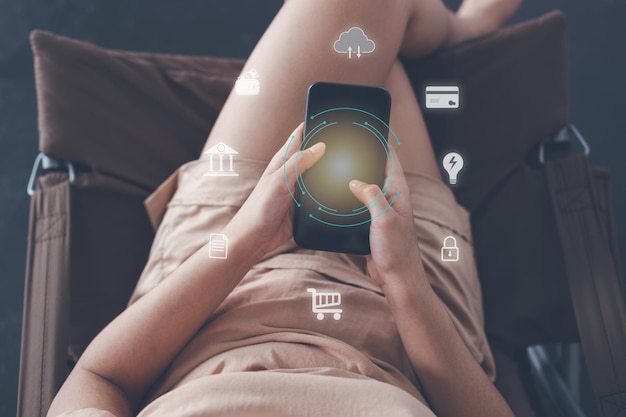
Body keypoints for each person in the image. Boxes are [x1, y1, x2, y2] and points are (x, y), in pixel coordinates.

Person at [47, 0, 522, 416]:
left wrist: (248, 237)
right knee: (373, 46)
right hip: (411, 312)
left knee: (366, 36)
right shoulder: (406, 281)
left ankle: (430, 30)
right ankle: (440, 32)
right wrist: (404, 280)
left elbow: (98, 377)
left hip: (221, 275)